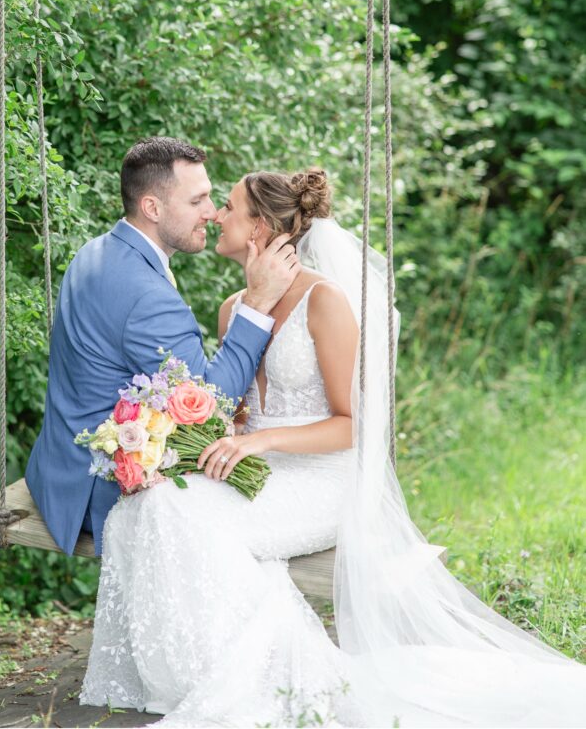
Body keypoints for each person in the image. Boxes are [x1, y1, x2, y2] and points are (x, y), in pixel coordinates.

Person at [80, 167, 586, 727]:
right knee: (144, 508)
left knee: (184, 518)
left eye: (227, 206)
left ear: (261, 230)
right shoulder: (233, 308)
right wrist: (215, 435)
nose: (216, 215)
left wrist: (262, 439)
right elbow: (236, 405)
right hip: (262, 468)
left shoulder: (324, 301)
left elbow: (354, 425)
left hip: (322, 479)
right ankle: (196, 675)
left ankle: (263, 677)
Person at [25, 137, 301, 556]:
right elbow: (211, 401)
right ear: (153, 208)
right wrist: (259, 303)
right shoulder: (145, 295)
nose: (211, 213)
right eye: (198, 201)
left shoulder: (97, 251)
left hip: (56, 467)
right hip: (93, 488)